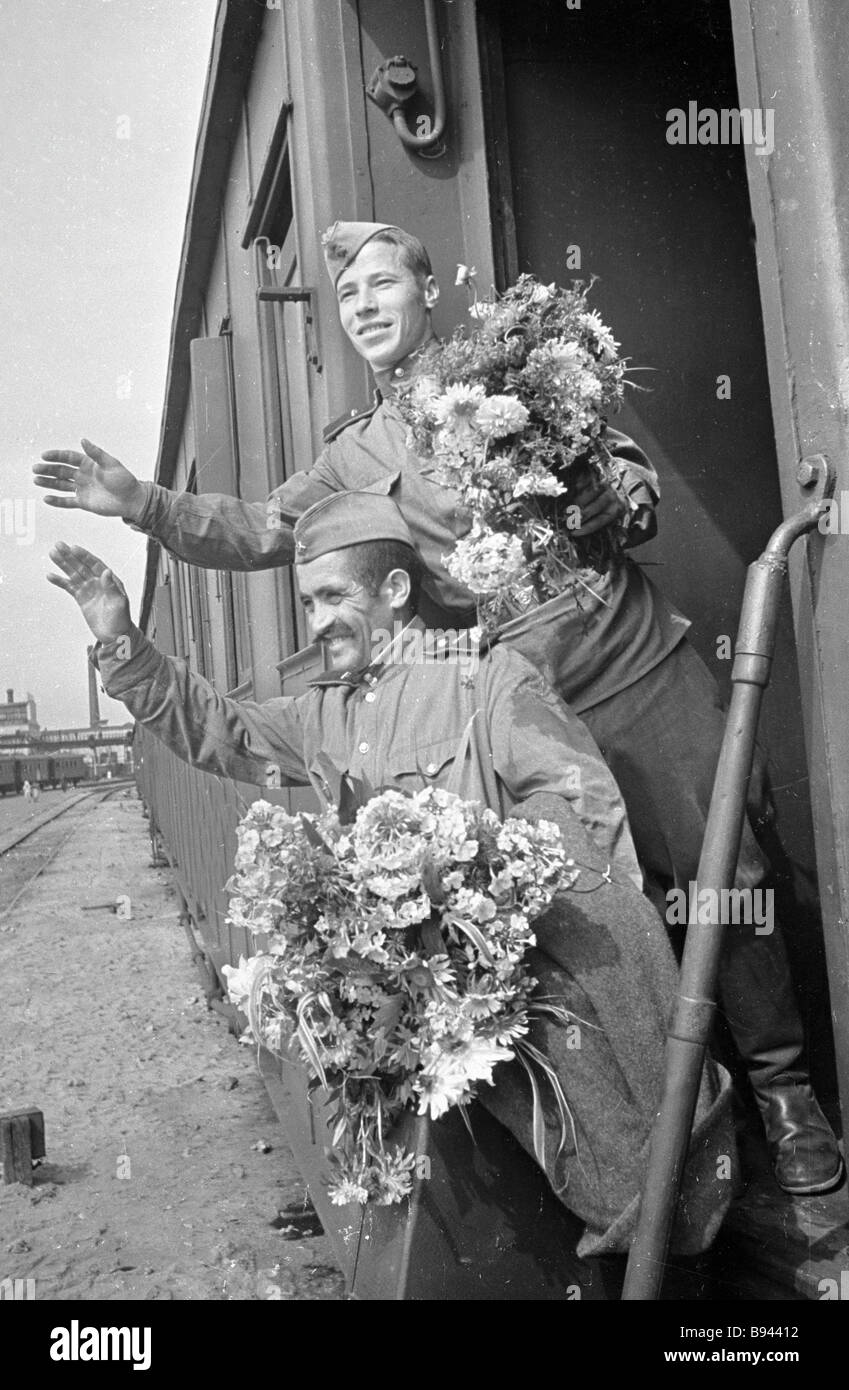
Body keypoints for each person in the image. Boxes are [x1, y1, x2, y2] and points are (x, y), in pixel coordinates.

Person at [34, 221, 841, 1196]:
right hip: (518, 684)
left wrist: (609, 496)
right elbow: (256, 527)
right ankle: (679, 1153)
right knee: (579, 921)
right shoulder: (351, 452)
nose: (367, 303)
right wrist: (146, 503)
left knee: (722, 862)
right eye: (350, 295)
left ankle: (788, 1102)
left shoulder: (506, 366)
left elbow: (625, 476)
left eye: (385, 283)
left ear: (426, 291)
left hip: (619, 651)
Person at [47, 493, 734, 1260]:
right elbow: (219, 730)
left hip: (516, 1006)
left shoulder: (481, 677)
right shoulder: (325, 713)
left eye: (335, 597)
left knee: (625, 1170)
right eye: (308, 602)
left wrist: (564, 959)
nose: (316, 621)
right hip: (412, 1024)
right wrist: (123, 642)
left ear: (396, 593)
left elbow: (585, 817)